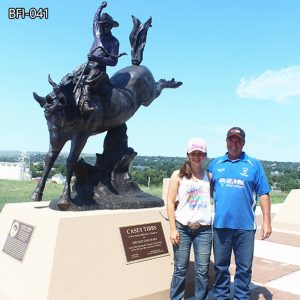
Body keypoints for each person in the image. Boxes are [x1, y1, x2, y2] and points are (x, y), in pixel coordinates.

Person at [208, 127, 272, 300]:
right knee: (221, 267)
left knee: (244, 268)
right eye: (231, 140)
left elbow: (264, 194)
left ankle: (241, 297)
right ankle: (221, 297)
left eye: (238, 141)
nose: (234, 144)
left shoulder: (253, 165)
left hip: (245, 227)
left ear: (243, 143)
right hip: (221, 225)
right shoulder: (216, 164)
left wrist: (267, 221)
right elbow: (205, 189)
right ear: (226, 142)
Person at [167, 138, 213, 300]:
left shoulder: (209, 176)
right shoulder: (178, 175)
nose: (197, 156)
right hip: (182, 228)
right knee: (180, 268)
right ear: (188, 154)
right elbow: (170, 203)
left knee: (202, 270)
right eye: (194, 153)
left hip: (204, 230)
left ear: (205, 155)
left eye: (200, 153)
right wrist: (173, 229)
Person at [80, 4, 120, 113]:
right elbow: (95, 20)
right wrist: (100, 8)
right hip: (88, 63)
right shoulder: (97, 33)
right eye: (103, 25)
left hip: (99, 68)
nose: (105, 27)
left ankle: (86, 103)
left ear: (111, 26)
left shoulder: (114, 42)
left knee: (88, 80)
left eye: (108, 25)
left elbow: (113, 61)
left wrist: (97, 59)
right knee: (73, 76)